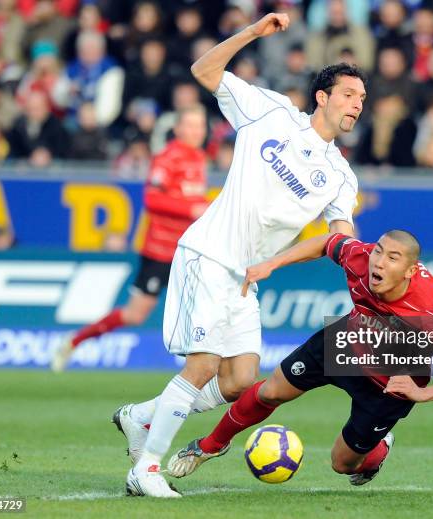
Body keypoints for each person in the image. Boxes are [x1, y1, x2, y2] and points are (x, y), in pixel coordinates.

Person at [118, 12, 366, 498]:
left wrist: (367, 277)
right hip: (210, 253)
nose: (357, 104)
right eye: (348, 95)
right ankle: (146, 468)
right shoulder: (270, 112)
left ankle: (141, 416)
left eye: (361, 98)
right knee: (203, 365)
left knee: (239, 381)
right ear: (322, 96)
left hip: (248, 276)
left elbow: (341, 239)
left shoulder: (341, 177)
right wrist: (253, 33)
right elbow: (204, 72)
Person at [166, 230, 433, 485]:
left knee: (342, 464)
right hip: (346, 343)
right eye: (379, 250)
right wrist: (272, 263)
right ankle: (209, 445)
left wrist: (422, 394)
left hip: (388, 386)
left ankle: (379, 445)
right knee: (270, 390)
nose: (378, 261)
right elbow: (327, 242)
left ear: (409, 271)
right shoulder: (362, 259)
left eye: (393, 258)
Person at [50, 105, 209, 372]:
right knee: (135, 314)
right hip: (160, 250)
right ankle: (74, 341)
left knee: (206, 304)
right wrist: (192, 209)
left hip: (189, 250)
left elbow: (194, 198)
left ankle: (210, 367)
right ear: (178, 128)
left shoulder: (199, 158)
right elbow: (152, 199)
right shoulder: (168, 158)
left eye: (200, 126)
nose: (196, 131)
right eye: (190, 125)